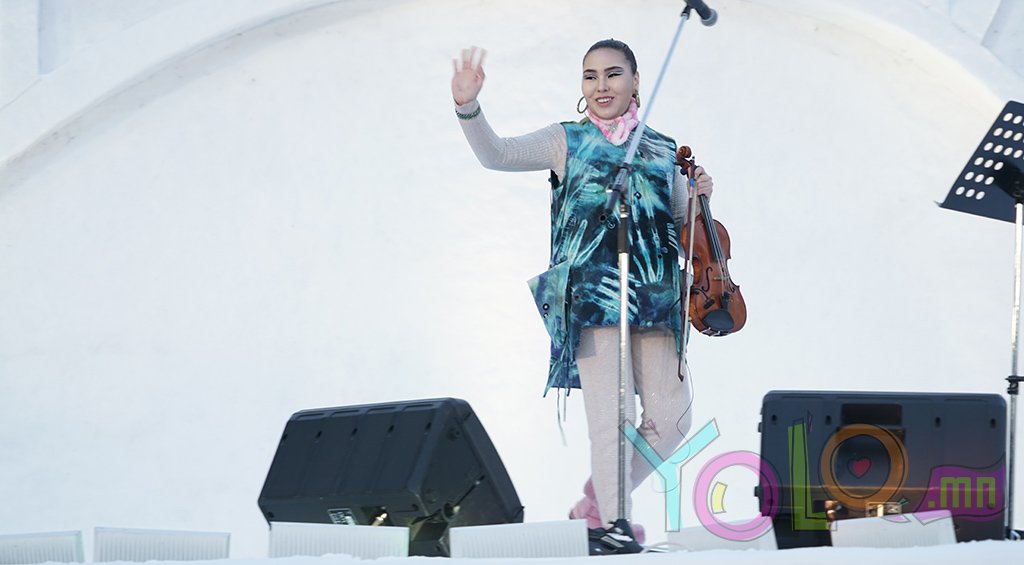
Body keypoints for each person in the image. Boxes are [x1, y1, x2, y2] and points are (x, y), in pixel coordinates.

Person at [451, 40, 713, 555]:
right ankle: (613, 525)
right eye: (590, 76)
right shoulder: (565, 141)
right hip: (594, 300)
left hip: (656, 300)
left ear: (635, 82)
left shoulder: (663, 149)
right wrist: (468, 106)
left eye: (613, 74)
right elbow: (496, 154)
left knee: (673, 418)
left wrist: (703, 194)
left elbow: (686, 227)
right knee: (612, 420)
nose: (601, 86)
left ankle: (597, 503)